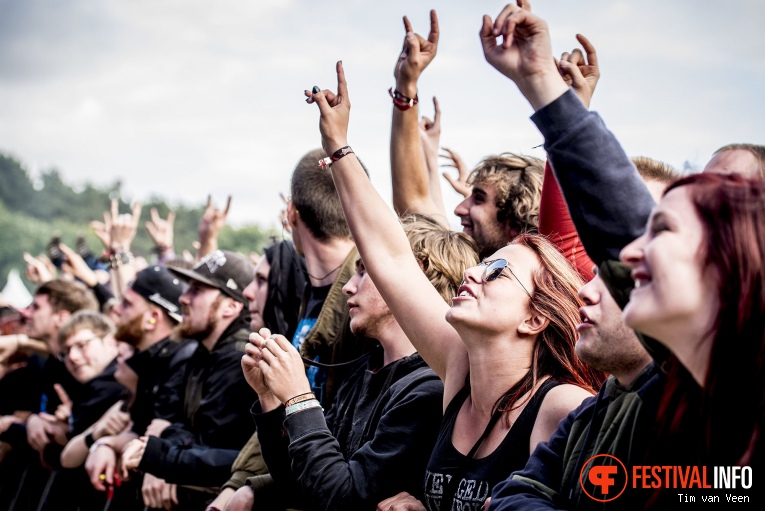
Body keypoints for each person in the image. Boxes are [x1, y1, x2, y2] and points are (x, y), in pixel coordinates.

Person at [479, 2, 762, 506]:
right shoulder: (624, 404)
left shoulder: (739, 390)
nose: (626, 257)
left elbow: (618, 222)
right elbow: (518, 492)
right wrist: (541, 81)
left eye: (664, 232)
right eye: (641, 233)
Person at [304, 55, 604, 511]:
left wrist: (565, 107)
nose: (472, 271)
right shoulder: (460, 371)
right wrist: (339, 147)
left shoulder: (563, 407)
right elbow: (391, 257)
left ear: (537, 316)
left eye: (497, 271)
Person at [244, 214, 477, 511]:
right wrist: (269, 399)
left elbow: (344, 500)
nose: (348, 287)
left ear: (406, 276)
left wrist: (298, 397)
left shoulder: (430, 389)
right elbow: (301, 483)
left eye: (364, 271)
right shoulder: (363, 372)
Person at [388, 10, 543, 258]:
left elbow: (415, 202)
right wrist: (406, 85)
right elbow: (415, 203)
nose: (459, 208)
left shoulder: (547, 290)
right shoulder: (466, 266)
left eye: (479, 199)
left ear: (515, 224)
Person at [120, 249, 257, 509]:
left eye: (197, 290)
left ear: (231, 305)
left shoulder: (239, 359)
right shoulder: (203, 349)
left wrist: (161, 459)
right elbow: (183, 426)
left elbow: (215, 451)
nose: (183, 297)